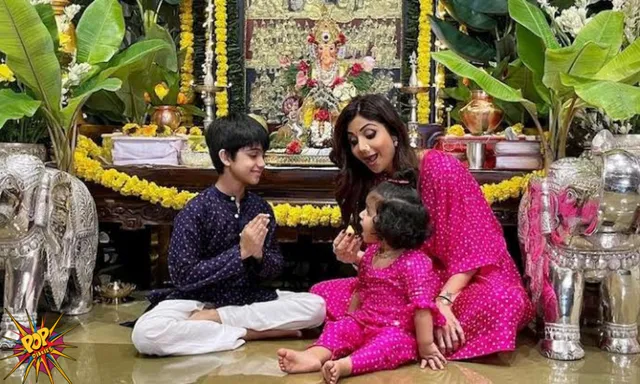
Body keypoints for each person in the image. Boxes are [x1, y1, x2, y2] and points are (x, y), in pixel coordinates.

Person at [311, 94, 533, 360]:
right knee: (323, 294)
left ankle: (391, 338)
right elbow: (386, 262)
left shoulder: (440, 167)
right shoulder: (373, 181)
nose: (363, 148)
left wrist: (444, 301)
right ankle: (407, 338)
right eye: (354, 141)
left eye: (370, 134)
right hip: (405, 285)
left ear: (394, 132)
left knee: (502, 303)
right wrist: (352, 258)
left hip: (460, 280)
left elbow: (475, 246)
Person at [131, 114, 326, 356]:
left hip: (246, 299)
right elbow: (183, 276)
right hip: (196, 301)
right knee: (147, 334)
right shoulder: (195, 211)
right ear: (225, 157)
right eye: (253, 155)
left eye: (262, 155)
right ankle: (251, 333)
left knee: (315, 307)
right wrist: (240, 253)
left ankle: (215, 321)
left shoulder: (260, 209)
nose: (262, 163)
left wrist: (258, 256)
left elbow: (274, 269)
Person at [278, 172, 446, 384]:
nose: (360, 215)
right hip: (364, 321)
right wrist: (350, 320)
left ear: (388, 223)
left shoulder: (414, 262)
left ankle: (345, 365)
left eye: (368, 212)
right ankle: (313, 357)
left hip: (397, 330)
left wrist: (426, 345)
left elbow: (422, 307)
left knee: (390, 345)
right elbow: (361, 288)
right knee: (339, 328)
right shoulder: (371, 254)